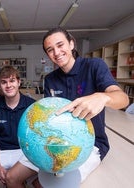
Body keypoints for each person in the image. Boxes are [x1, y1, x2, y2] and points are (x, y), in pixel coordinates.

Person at [41, 27, 129, 183]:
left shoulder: (95, 66)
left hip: (91, 144)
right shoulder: (50, 79)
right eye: (50, 50)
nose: (56, 52)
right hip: (60, 143)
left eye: (60, 45)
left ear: (71, 44)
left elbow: (123, 99)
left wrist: (102, 97)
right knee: (37, 178)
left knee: (62, 183)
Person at [0, 65, 41, 188]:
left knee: (41, 182)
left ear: (18, 82)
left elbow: (37, 138)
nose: (8, 85)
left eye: (12, 81)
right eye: (4, 82)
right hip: (2, 152)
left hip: (25, 152)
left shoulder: (31, 106)